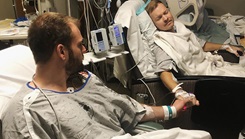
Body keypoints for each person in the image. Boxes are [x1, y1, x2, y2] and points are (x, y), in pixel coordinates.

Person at [1, 12, 209, 139]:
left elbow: (128, 107)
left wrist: (172, 109)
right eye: (80, 45)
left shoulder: (84, 79)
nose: (84, 50)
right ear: (62, 52)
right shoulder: (29, 113)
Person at [145, 0, 245, 94]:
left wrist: (226, 46)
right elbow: (164, 72)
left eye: (165, 12)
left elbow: (202, 44)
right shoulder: (162, 41)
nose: (165, 18)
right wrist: (178, 92)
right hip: (204, 78)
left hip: (211, 65)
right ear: (154, 24)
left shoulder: (178, 26)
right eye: (159, 18)